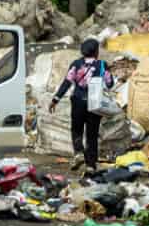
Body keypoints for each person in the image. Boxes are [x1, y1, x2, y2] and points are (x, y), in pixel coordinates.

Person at [48, 38, 113, 174]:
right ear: (96, 52)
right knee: (92, 134)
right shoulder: (102, 65)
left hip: (77, 101)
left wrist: (56, 99)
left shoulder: (76, 64)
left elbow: (67, 82)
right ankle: (91, 165)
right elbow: (109, 83)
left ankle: (78, 152)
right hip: (94, 104)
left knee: (76, 129)